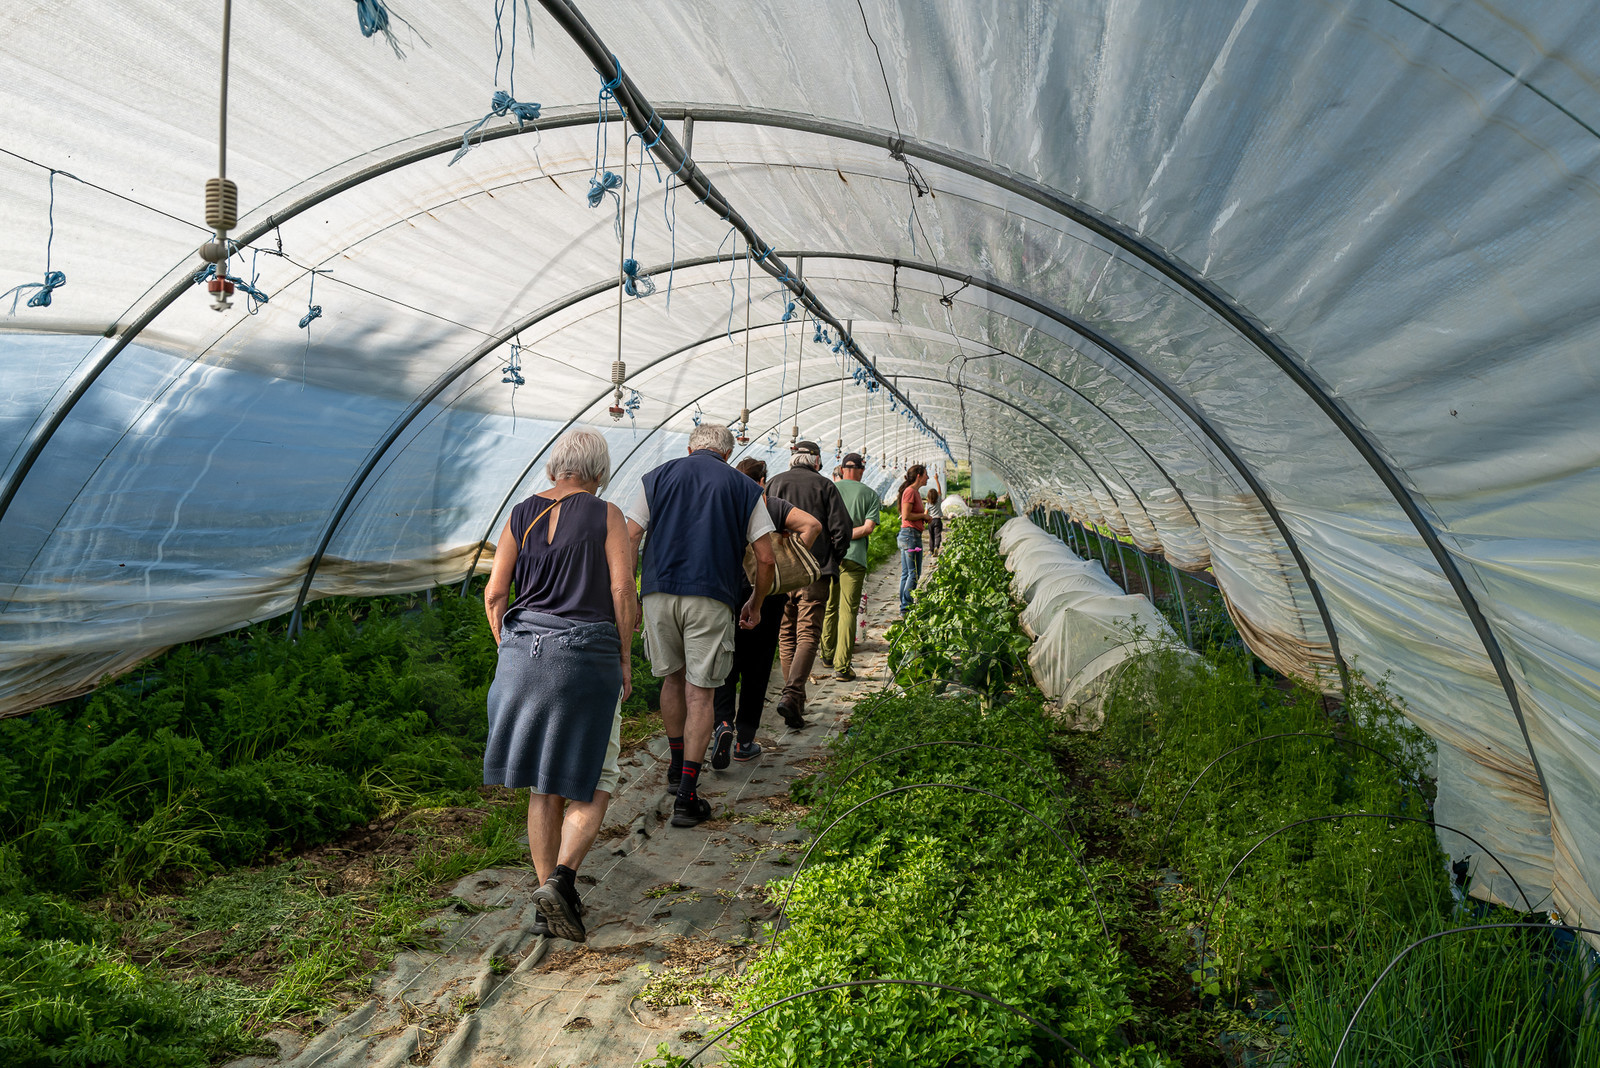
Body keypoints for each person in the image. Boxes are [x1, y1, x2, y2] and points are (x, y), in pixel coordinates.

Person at [482, 429, 636, 944]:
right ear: (598, 472)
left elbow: (494, 594)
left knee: (543, 781)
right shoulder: (606, 514)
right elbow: (620, 589)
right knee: (596, 775)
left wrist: (510, 648)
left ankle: (544, 899)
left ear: (555, 467)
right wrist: (625, 658)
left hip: (523, 654)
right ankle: (562, 880)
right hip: (584, 658)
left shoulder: (521, 513)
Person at [625, 424, 776, 829]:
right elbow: (765, 557)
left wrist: (630, 593)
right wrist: (755, 604)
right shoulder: (745, 488)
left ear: (690, 448)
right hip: (711, 597)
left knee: (671, 682)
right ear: (728, 454)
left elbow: (631, 534)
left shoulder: (656, 477)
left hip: (658, 592)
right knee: (701, 694)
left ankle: (675, 770)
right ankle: (688, 796)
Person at [710, 459, 822, 768]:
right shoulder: (772, 506)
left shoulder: (725, 505)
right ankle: (745, 741)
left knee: (725, 663)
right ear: (763, 481)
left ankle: (722, 724)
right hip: (767, 593)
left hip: (727, 593)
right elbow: (813, 525)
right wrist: (791, 559)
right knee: (758, 670)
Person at [764, 441, 853, 729]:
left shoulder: (774, 483)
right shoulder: (825, 485)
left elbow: (760, 526)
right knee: (808, 634)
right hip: (814, 572)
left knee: (786, 633)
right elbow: (842, 530)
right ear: (816, 461)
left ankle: (794, 701)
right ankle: (792, 696)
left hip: (780, 574)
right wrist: (831, 560)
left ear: (793, 460)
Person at [821, 452, 878, 681]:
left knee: (829, 605)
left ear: (842, 469)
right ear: (862, 470)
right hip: (855, 557)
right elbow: (868, 528)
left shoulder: (829, 489)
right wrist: (847, 536)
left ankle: (826, 654)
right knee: (848, 611)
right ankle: (842, 666)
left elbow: (821, 524)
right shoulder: (870, 495)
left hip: (830, 556)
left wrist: (835, 539)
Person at [897, 464, 930, 615]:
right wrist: (923, 516)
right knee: (913, 573)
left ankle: (905, 606)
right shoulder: (910, 492)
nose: (927, 478)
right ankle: (906, 608)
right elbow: (906, 515)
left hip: (911, 536)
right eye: (926, 475)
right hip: (910, 537)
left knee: (907, 573)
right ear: (919, 475)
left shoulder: (914, 492)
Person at [926, 484, 945, 556]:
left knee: (931, 536)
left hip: (930, 521)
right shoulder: (938, 500)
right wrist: (936, 479)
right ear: (937, 496)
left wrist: (924, 520)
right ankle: (936, 547)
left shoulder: (928, 503)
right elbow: (940, 491)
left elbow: (926, 513)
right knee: (937, 535)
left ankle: (931, 550)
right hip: (937, 520)